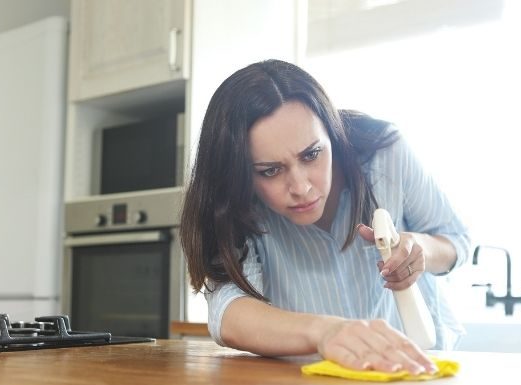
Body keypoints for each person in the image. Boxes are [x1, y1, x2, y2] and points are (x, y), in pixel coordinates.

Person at [180, 59, 470, 374]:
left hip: (420, 369)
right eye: (271, 171)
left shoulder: (386, 153)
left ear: (332, 133)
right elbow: (228, 314)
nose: (301, 188)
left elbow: (457, 241)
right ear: (240, 174)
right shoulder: (234, 205)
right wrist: (325, 331)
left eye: (312, 154)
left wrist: (421, 249)